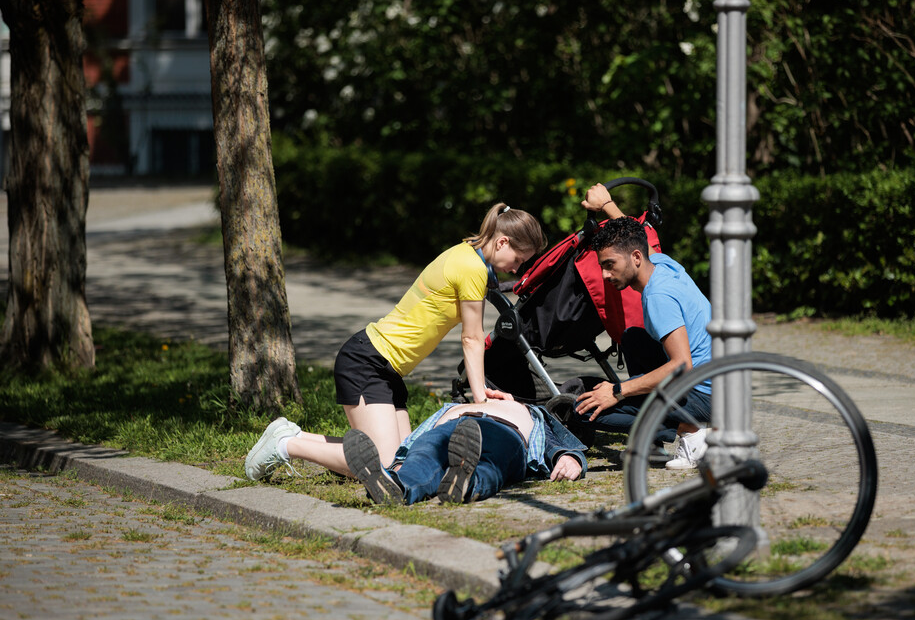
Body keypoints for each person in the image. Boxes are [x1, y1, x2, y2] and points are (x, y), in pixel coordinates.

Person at [244, 203, 547, 481]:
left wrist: (481, 393)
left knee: (405, 461)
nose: (517, 267)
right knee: (385, 465)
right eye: (519, 259)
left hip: (386, 369)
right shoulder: (472, 268)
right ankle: (287, 445)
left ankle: (290, 434)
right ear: (502, 241)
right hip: (367, 361)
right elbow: (471, 337)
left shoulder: (466, 253)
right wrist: (480, 398)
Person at [570, 184, 713, 470]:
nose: (604, 274)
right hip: (718, 380)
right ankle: (660, 439)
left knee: (586, 411)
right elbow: (633, 236)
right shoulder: (660, 263)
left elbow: (681, 365)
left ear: (636, 258)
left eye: (610, 265)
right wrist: (608, 204)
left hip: (706, 393)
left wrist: (618, 391)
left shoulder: (658, 296)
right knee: (633, 338)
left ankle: (693, 435)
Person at [343, 399, 587, 505]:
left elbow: (555, 440)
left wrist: (570, 457)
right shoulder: (458, 405)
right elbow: (418, 437)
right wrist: (401, 462)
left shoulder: (528, 410)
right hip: (451, 427)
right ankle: (398, 486)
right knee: (424, 456)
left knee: (492, 464)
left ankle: (467, 483)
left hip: (504, 432)